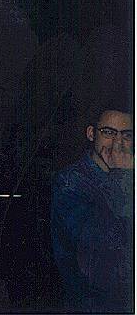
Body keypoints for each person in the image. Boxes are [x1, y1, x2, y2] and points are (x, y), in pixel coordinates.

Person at [51, 107, 134, 312]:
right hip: (92, 303)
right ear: (91, 134)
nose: (118, 143)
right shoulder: (71, 182)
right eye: (108, 132)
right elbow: (99, 255)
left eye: (127, 135)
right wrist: (122, 177)